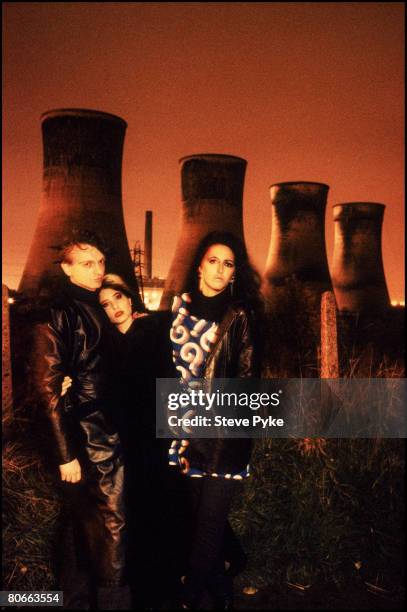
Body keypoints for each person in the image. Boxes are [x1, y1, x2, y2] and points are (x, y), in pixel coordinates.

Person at [32, 230, 130, 610]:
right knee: (112, 523)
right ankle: (112, 600)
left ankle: (74, 599)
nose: (98, 269)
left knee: (83, 523)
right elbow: (47, 389)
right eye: (88, 263)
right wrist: (65, 454)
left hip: (103, 428)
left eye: (102, 262)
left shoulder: (95, 307)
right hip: (87, 434)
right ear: (67, 268)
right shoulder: (59, 312)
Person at [165, 231, 263, 610]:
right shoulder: (179, 309)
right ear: (200, 265)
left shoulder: (240, 315)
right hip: (181, 432)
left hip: (223, 435)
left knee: (208, 525)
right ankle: (222, 586)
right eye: (213, 261)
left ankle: (187, 597)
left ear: (235, 273)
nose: (220, 269)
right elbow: (165, 366)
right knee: (200, 519)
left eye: (228, 263)